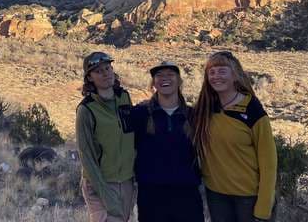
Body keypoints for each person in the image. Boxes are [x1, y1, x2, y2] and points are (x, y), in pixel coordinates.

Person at [192, 51, 277, 222]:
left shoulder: (252, 110)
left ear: (235, 75)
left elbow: (269, 162)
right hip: (216, 195)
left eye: (222, 71)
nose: (216, 76)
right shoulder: (205, 109)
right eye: (212, 72)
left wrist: (264, 207)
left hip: (248, 197)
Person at [131, 61, 204, 222]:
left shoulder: (194, 116)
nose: (165, 79)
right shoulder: (140, 114)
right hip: (151, 194)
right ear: (153, 83)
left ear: (179, 81)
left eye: (170, 74)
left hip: (187, 194)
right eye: (159, 75)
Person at [75, 51, 136, 222]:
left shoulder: (124, 97)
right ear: (90, 78)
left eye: (108, 68)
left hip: (125, 180)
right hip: (100, 181)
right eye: (99, 71)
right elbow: (85, 154)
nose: (105, 73)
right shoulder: (86, 110)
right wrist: (105, 193)